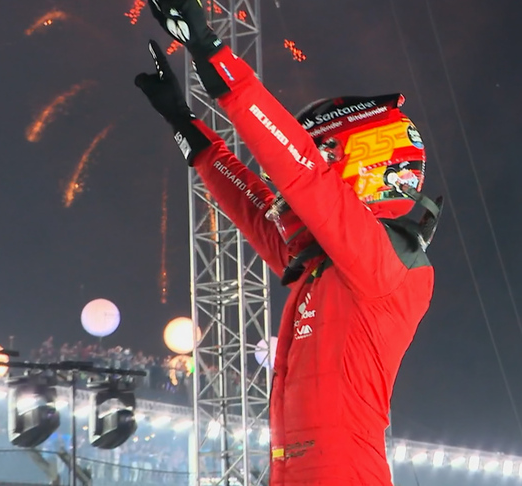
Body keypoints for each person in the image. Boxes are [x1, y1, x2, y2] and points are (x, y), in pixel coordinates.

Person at [134, 1, 442, 483]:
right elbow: (255, 207)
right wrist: (184, 124)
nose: (288, 193)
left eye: (325, 152)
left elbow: (299, 170)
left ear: (367, 160)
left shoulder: (385, 264)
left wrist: (211, 52)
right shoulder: (325, 264)